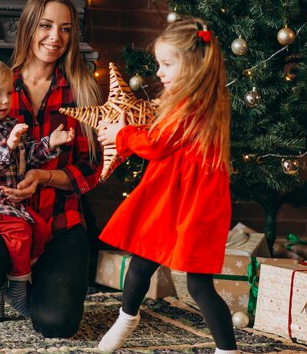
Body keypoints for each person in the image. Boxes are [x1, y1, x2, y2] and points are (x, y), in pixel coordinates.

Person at [0, 0, 103, 337]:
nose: (54, 37)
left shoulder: (83, 92)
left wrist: (45, 176)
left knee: (56, 325)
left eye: (65, 29)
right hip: (3, 215)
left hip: (59, 219)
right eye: (45, 26)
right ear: (28, 28)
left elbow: (94, 167)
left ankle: (29, 281)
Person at [96, 18, 238, 354]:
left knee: (198, 283)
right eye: (160, 64)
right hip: (170, 197)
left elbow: (157, 145)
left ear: (194, 65)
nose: (159, 72)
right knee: (142, 262)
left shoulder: (194, 106)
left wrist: (122, 135)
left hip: (192, 203)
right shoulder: (188, 100)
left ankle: (227, 350)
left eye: (167, 64)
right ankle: (127, 317)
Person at [0, 57, 75, 321]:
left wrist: (50, 143)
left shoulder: (9, 125)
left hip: (9, 206)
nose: (7, 101)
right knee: (19, 232)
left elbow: (29, 154)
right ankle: (18, 286)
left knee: (40, 229)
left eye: (9, 93)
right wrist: (7, 146)